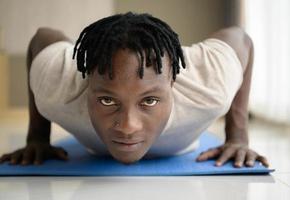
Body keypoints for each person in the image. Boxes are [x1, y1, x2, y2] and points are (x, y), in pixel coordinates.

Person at [0, 12, 269, 167]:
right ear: (86, 83)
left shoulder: (209, 84)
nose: (128, 127)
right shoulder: (58, 87)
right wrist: (37, 137)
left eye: (149, 101)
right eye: (107, 100)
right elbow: (42, 38)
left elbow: (242, 39)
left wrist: (238, 135)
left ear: (173, 84)